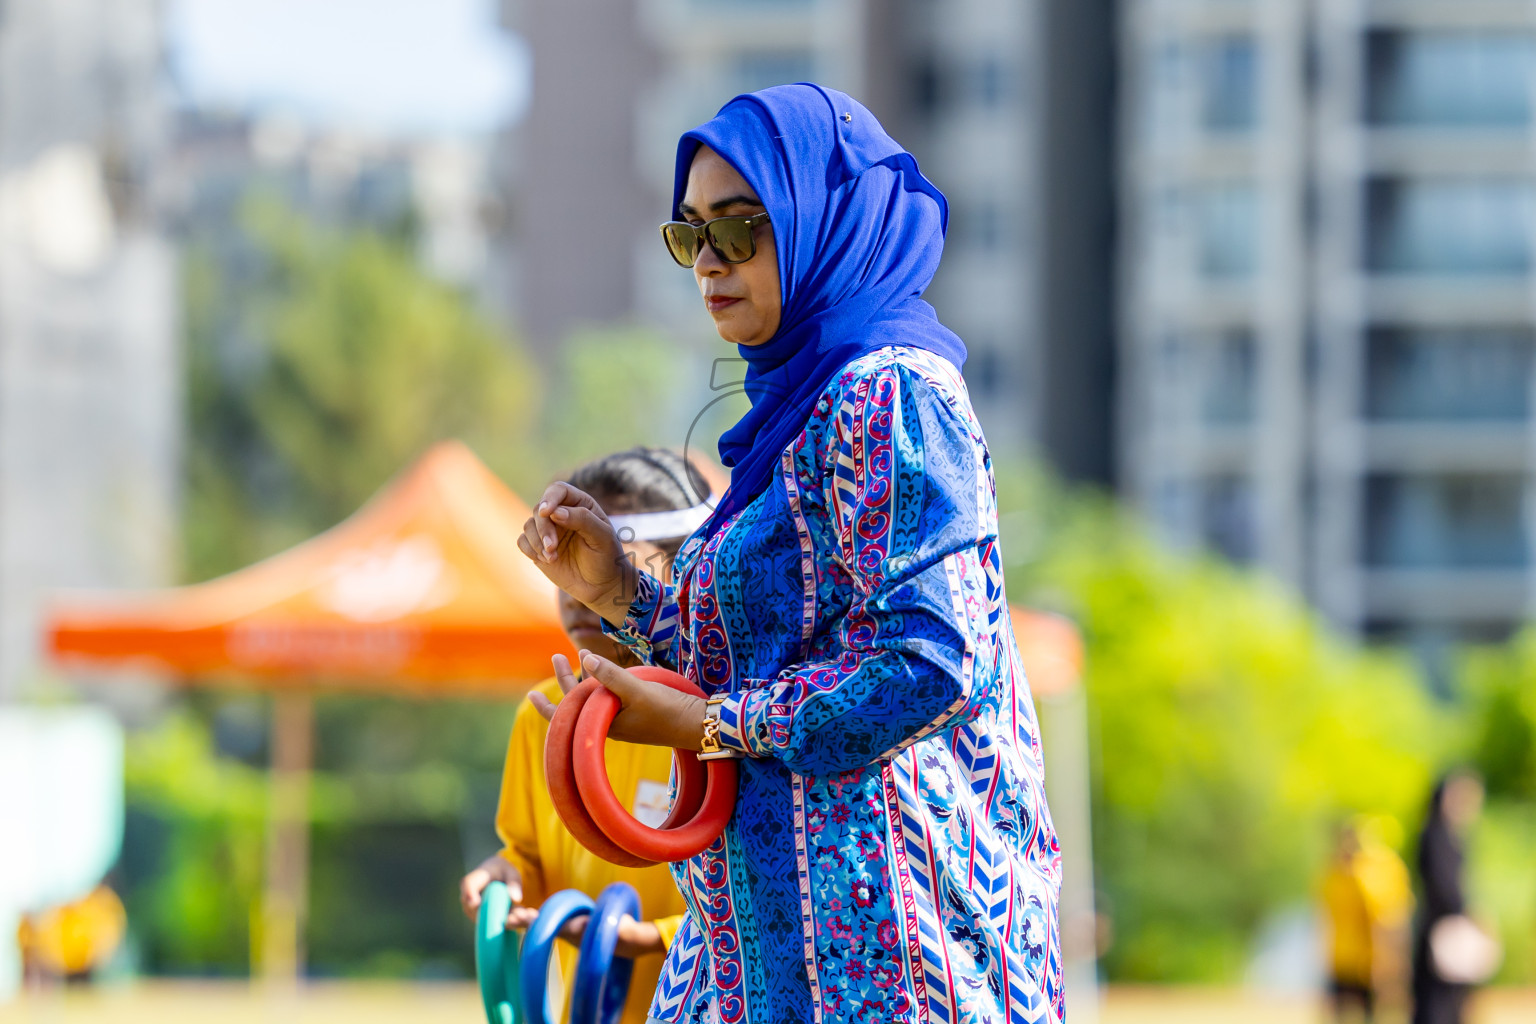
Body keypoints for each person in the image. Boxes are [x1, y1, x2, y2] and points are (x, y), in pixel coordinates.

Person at [519, 84, 1062, 1024]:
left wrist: (712, 730)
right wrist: (619, 594)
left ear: (824, 222)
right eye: (690, 235)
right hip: (758, 954)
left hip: (894, 958)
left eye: (741, 230)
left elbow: (930, 663)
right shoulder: (790, 415)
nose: (709, 264)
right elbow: (765, 654)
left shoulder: (890, 392)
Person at [461, 448, 714, 1024]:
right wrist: (507, 879)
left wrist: (654, 938)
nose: (579, 591)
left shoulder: (713, 718)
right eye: (564, 564)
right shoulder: (542, 716)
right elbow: (529, 858)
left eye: (605, 563)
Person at [1411, 771, 1488, 1024]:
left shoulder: (1452, 837)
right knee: (1438, 1004)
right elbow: (1445, 888)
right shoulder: (1435, 835)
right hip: (1441, 929)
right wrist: (1468, 912)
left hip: (1448, 930)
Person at [1321, 818, 1413, 1021]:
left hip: (1366, 959)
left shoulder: (1366, 876)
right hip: (1343, 957)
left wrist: (1386, 958)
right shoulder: (1333, 875)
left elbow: (1381, 920)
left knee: (1373, 1011)